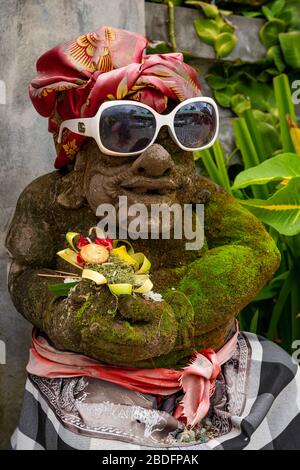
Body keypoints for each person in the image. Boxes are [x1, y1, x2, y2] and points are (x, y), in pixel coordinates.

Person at [6, 26, 300, 450]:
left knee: (283, 370)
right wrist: (68, 318)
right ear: (80, 148)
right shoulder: (50, 202)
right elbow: (27, 269)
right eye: (127, 131)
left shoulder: (200, 199)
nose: (159, 159)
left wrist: (181, 316)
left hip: (206, 358)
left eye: (185, 129)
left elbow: (255, 248)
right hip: (93, 371)